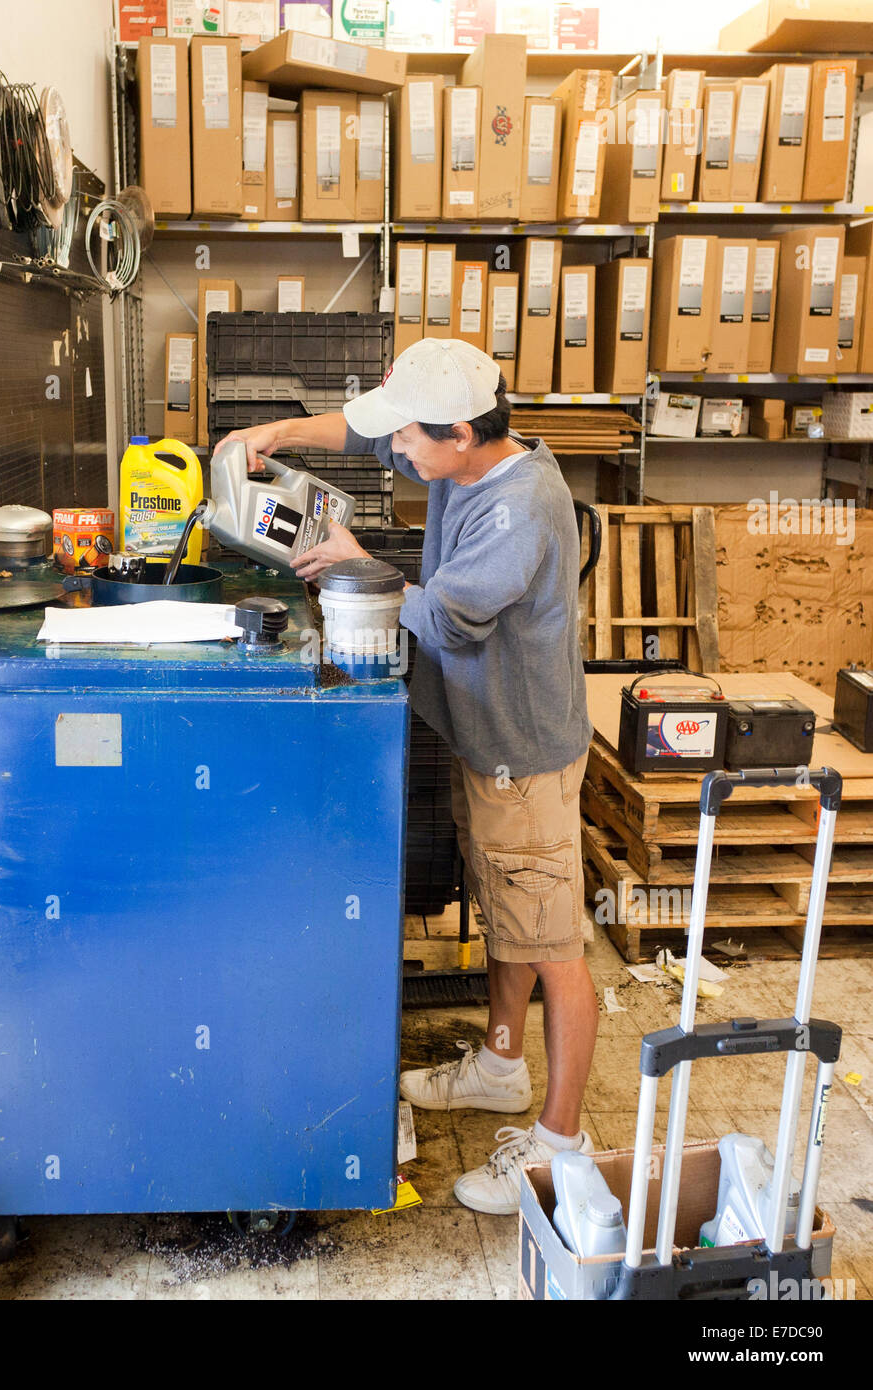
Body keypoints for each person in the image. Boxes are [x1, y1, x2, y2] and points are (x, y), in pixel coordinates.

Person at [215, 337, 597, 1216]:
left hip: (524, 758)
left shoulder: (523, 511)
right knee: (509, 911)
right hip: (483, 739)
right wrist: (278, 431)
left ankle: (558, 1148)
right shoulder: (464, 454)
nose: (398, 455)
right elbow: (359, 432)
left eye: (412, 443)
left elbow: (440, 616)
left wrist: (350, 558)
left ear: (459, 433)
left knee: (551, 945)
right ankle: (501, 1067)